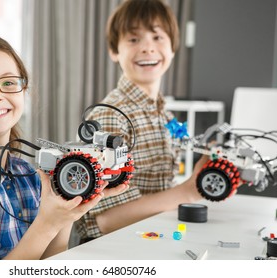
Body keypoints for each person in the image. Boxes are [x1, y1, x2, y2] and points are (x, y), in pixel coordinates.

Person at [0, 36, 127, 260]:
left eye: (8, 83)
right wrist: (47, 223)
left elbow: (49, 264)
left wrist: (68, 208)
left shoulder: (23, 171)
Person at [75, 0, 209, 243]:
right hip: (111, 249)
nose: (148, 48)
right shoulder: (111, 116)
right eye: (134, 39)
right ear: (114, 51)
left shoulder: (163, 114)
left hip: (150, 238)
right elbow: (107, 220)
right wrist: (187, 192)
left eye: (157, 37)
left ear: (173, 47)